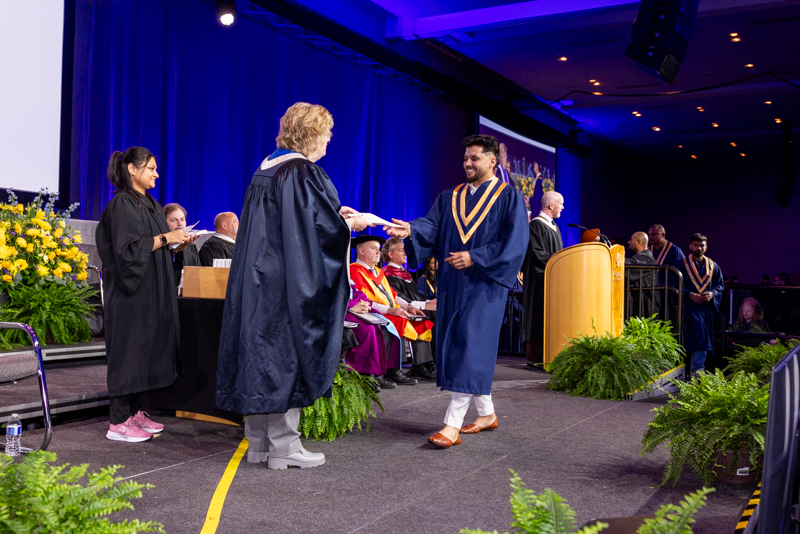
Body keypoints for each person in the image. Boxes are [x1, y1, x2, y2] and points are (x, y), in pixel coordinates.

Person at [216, 102, 369, 469]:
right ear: (312, 132)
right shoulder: (301, 172)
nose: (330, 139)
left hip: (255, 281)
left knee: (257, 355)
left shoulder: (265, 168)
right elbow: (316, 232)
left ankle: (257, 444)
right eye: (327, 132)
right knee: (285, 354)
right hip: (285, 282)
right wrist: (350, 225)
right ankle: (284, 447)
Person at [384, 134, 529, 448]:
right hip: (453, 283)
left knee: (468, 345)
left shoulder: (509, 197)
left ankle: (451, 424)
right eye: (466, 158)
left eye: (475, 158)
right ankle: (487, 414)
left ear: (493, 161)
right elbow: (432, 227)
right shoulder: (450, 196)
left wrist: (475, 256)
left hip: (485, 285)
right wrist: (409, 229)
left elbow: (514, 243)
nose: (468, 163)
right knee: (462, 346)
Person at [96, 147, 198, 442]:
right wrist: (167, 237)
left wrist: (176, 245)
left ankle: (135, 411)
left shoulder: (149, 203)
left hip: (150, 293)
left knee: (146, 352)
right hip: (131, 295)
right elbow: (127, 251)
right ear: (131, 169)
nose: (156, 173)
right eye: (151, 168)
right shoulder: (122, 205)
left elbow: (152, 245)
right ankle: (117, 421)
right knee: (129, 354)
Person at [350, 235, 433, 386]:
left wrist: (408, 307)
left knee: (420, 320)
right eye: (373, 248)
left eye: (379, 249)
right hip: (368, 312)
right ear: (361, 251)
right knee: (395, 321)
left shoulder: (377, 271)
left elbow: (393, 296)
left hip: (386, 311)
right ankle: (385, 371)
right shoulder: (355, 271)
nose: (378, 252)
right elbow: (365, 301)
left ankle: (418, 366)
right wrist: (390, 310)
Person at [382, 237, 437, 381]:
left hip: (411, 307)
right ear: (390, 254)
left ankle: (426, 364)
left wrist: (428, 301)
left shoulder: (404, 273)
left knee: (435, 314)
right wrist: (424, 305)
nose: (405, 254)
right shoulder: (387, 274)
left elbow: (415, 295)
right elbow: (397, 297)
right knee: (427, 316)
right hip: (398, 309)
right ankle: (422, 365)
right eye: (401, 250)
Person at [521, 191, 564, 366]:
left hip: (552, 281)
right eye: (561, 204)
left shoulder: (554, 226)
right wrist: (559, 264)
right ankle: (536, 357)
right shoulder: (535, 226)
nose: (563, 207)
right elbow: (538, 255)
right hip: (538, 282)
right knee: (537, 315)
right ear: (551, 205)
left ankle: (551, 354)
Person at [676, 233, 724, 377]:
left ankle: (696, 370)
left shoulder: (713, 265)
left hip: (704, 309)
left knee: (702, 338)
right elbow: (673, 284)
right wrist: (689, 294)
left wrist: (712, 294)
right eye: (696, 245)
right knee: (691, 339)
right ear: (690, 246)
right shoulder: (681, 264)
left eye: (702, 245)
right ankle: (692, 370)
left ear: (706, 247)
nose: (699, 248)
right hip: (687, 308)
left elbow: (720, 286)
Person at [344, 283, 402, 392]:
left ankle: (378, 375)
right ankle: (363, 376)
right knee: (368, 329)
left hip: (353, 307)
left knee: (384, 327)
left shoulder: (346, 274)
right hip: (340, 311)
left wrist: (363, 303)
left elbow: (355, 292)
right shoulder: (356, 271)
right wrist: (350, 307)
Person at [163, 203, 200, 289]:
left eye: (182, 219)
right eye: (174, 220)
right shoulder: (159, 247)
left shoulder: (191, 246)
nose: (180, 224)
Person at [625, 231, 655, 316]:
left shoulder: (647, 258)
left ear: (638, 242)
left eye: (631, 240)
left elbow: (630, 264)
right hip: (638, 301)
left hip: (645, 304)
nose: (629, 242)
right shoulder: (642, 257)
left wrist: (615, 257)